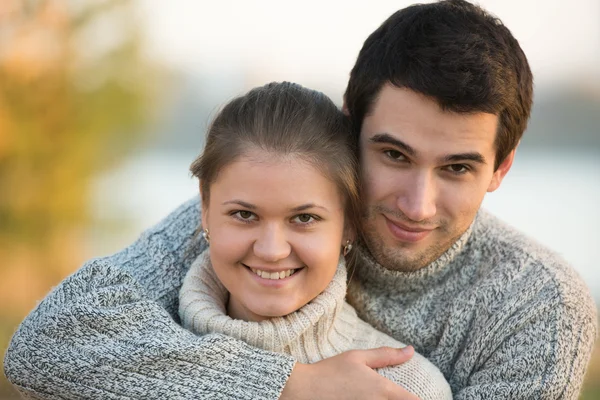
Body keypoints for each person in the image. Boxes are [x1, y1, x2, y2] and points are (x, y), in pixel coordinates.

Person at [4, 0, 597, 399]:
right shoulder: (272, 216)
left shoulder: (537, 307)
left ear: (502, 167)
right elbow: (49, 340)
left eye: (457, 168)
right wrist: (293, 385)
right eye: (393, 155)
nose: (417, 203)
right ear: (349, 129)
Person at [177, 81, 451, 400]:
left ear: (348, 225)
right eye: (244, 215)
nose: (272, 250)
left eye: (304, 218)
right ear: (205, 208)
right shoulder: (128, 350)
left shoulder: (402, 385)